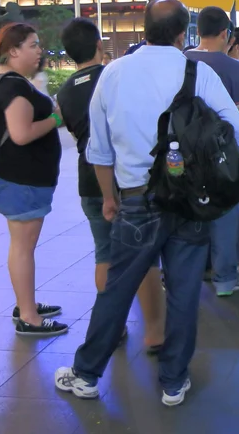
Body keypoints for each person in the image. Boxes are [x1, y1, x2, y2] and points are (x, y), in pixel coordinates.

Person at [54, 0, 239, 406]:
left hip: (136, 200)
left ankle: (87, 374)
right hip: (189, 203)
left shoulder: (113, 73)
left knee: (117, 288)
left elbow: (99, 150)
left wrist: (110, 198)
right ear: (183, 35)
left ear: (143, 28)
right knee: (183, 293)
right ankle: (174, 381)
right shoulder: (197, 72)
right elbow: (238, 135)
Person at [58, 18, 165, 348]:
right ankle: (155, 334)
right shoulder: (115, 76)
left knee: (104, 254)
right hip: (127, 177)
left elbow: (78, 133)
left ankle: (113, 327)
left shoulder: (63, 91)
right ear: (98, 46)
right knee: (144, 254)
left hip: (89, 180)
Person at [0, 23, 67, 336]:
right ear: (13, 50)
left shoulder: (1, 80)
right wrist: (56, 118)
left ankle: (25, 303)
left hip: (17, 179)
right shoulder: (13, 86)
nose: (39, 50)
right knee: (22, 247)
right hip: (21, 180)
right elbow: (21, 134)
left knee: (22, 246)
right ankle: (29, 316)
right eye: (32, 45)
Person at [186, 7, 239, 295]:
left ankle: (197, 269)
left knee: (191, 211)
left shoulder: (183, 59)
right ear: (227, 34)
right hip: (223, 154)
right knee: (225, 212)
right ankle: (225, 279)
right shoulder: (234, 67)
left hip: (186, 152)